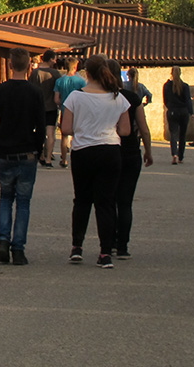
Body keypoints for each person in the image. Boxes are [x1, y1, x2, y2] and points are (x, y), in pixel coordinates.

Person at [60, 54, 131, 268]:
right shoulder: (118, 97)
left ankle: (77, 247)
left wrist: (84, 127)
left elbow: (66, 128)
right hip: (110, 150)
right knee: (106, 203)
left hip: (83, 150)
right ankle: (105, 252)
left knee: (82, 200)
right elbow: (126, 130)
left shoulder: (75, 97)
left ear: (86, 73)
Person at [0, 48, 45, 266]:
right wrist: (38, 149)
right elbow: (41, 126)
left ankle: (3, 241)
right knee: (23, 202)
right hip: (27, 151)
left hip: (5, 152)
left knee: (5, 197)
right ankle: (18, 249)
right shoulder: (35, 92)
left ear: (10, 64)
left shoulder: (0, 91)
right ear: (29, 65)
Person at [108, 59, 152, 259]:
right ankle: (122, 245)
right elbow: (143, 127)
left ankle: (109, 242)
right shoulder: (132, 98)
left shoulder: (100, 98)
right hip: (131, 151)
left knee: (109, 200)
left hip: (109, 150)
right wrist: (148, 151)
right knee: (125, 202)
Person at [28, 49, 60, 168]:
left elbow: (30, 88)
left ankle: (40, 154)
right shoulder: (55, 74)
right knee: (50, 132)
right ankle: (48, 159)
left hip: (37, 106)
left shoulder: (35, 73)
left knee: (38, 131)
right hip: (51, 106)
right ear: (51, 59)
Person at [53, 59, 86, 168]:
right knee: (78, 135)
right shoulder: (81, 81)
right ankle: (76, 158)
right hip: (78, 110)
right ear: (75, 67)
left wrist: (61, 104)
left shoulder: (59, 81)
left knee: (64, 136)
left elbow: (56, 99)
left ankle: (64, 160)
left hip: (65, 110)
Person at [162, 67, 192, 164]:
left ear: (171, 73)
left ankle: (174, 154)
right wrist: (191, 112)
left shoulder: (166, 86)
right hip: (183, 111)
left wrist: (170, 107)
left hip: (172, 111)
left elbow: (165, 100)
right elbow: (188, 100)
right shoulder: (185, 86)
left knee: (173, 134)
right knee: (182, 135)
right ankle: (180, 156)